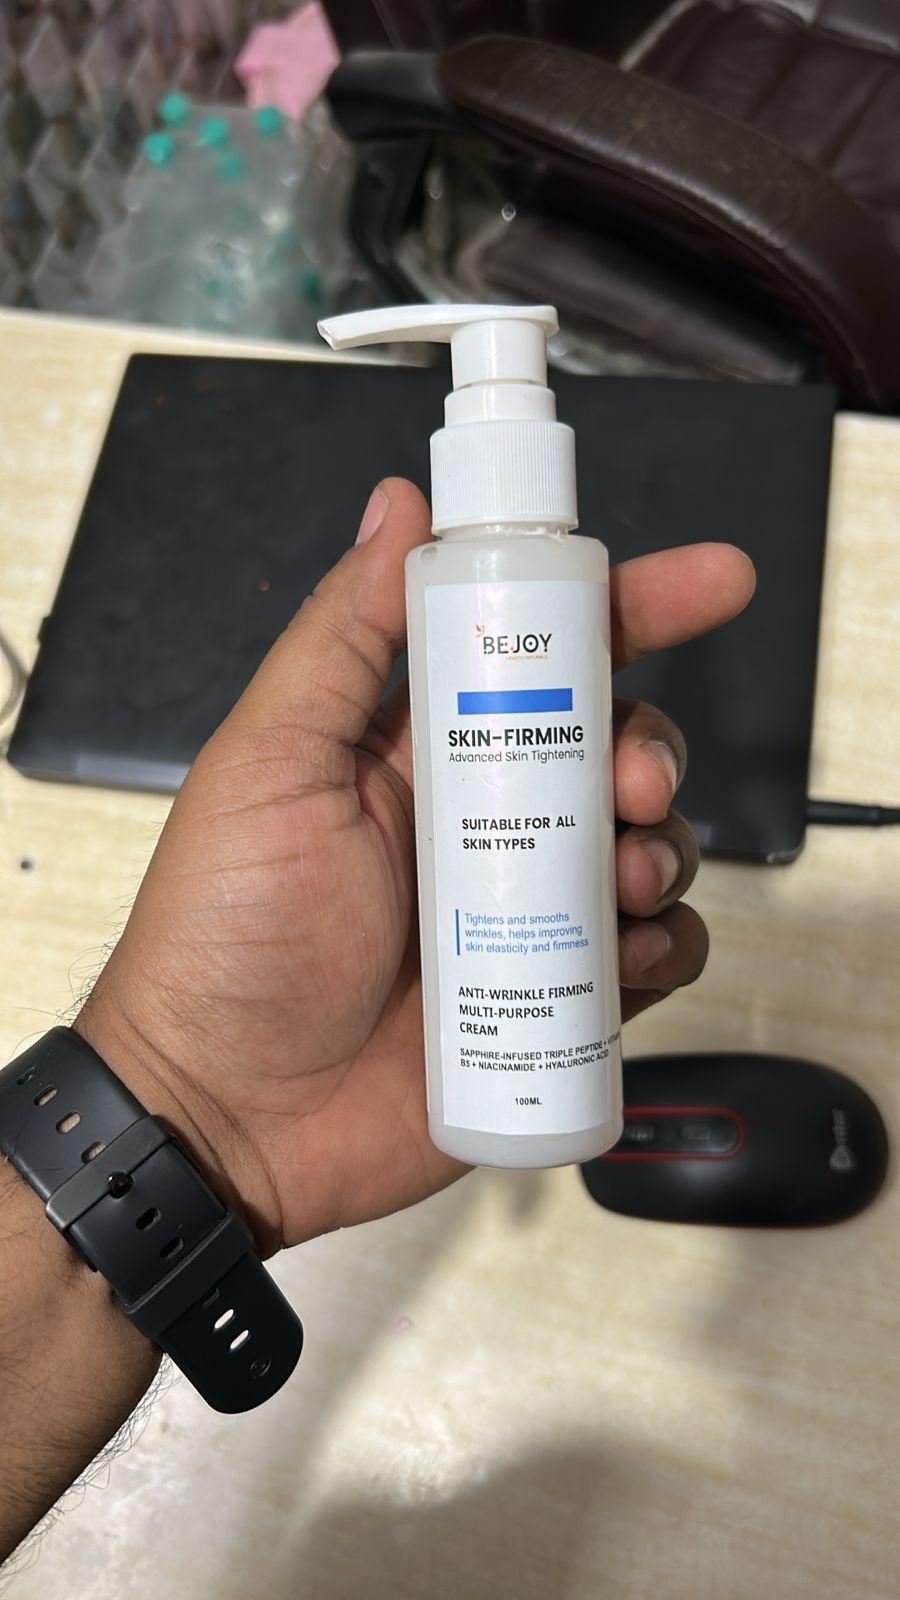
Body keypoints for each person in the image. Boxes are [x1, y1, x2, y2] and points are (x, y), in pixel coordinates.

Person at [0, 480, 755, 1559]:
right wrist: (183, 1093)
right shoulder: (452, 578)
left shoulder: (555, 572)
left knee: (627, 833)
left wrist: (189, 1112)